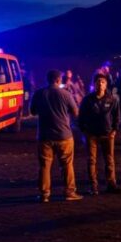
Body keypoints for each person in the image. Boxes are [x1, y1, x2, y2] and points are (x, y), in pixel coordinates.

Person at [30, 69, 82, 202]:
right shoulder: (66, 94)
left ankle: (44, 194)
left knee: (45, 166)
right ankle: (69, 192)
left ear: (47, 79)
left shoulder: (39, 93)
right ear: (59, 80)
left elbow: (33, 111)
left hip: (44, 135)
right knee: (67, 165)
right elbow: (75, 112)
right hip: (64, 135)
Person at [78, 73, 121, 195]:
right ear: (94, 84)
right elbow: (81, 117)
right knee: (91, 160)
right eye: (98, 81)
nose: (100, 83)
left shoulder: (112, 99)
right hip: (91, 134)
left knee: (109, 159)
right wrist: (84, 131)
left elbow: (117, 116)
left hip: (107, 134)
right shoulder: (87, 100)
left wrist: (114, 130)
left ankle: (111, 184)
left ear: (106, 84)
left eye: (103, 81)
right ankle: (93, 186)